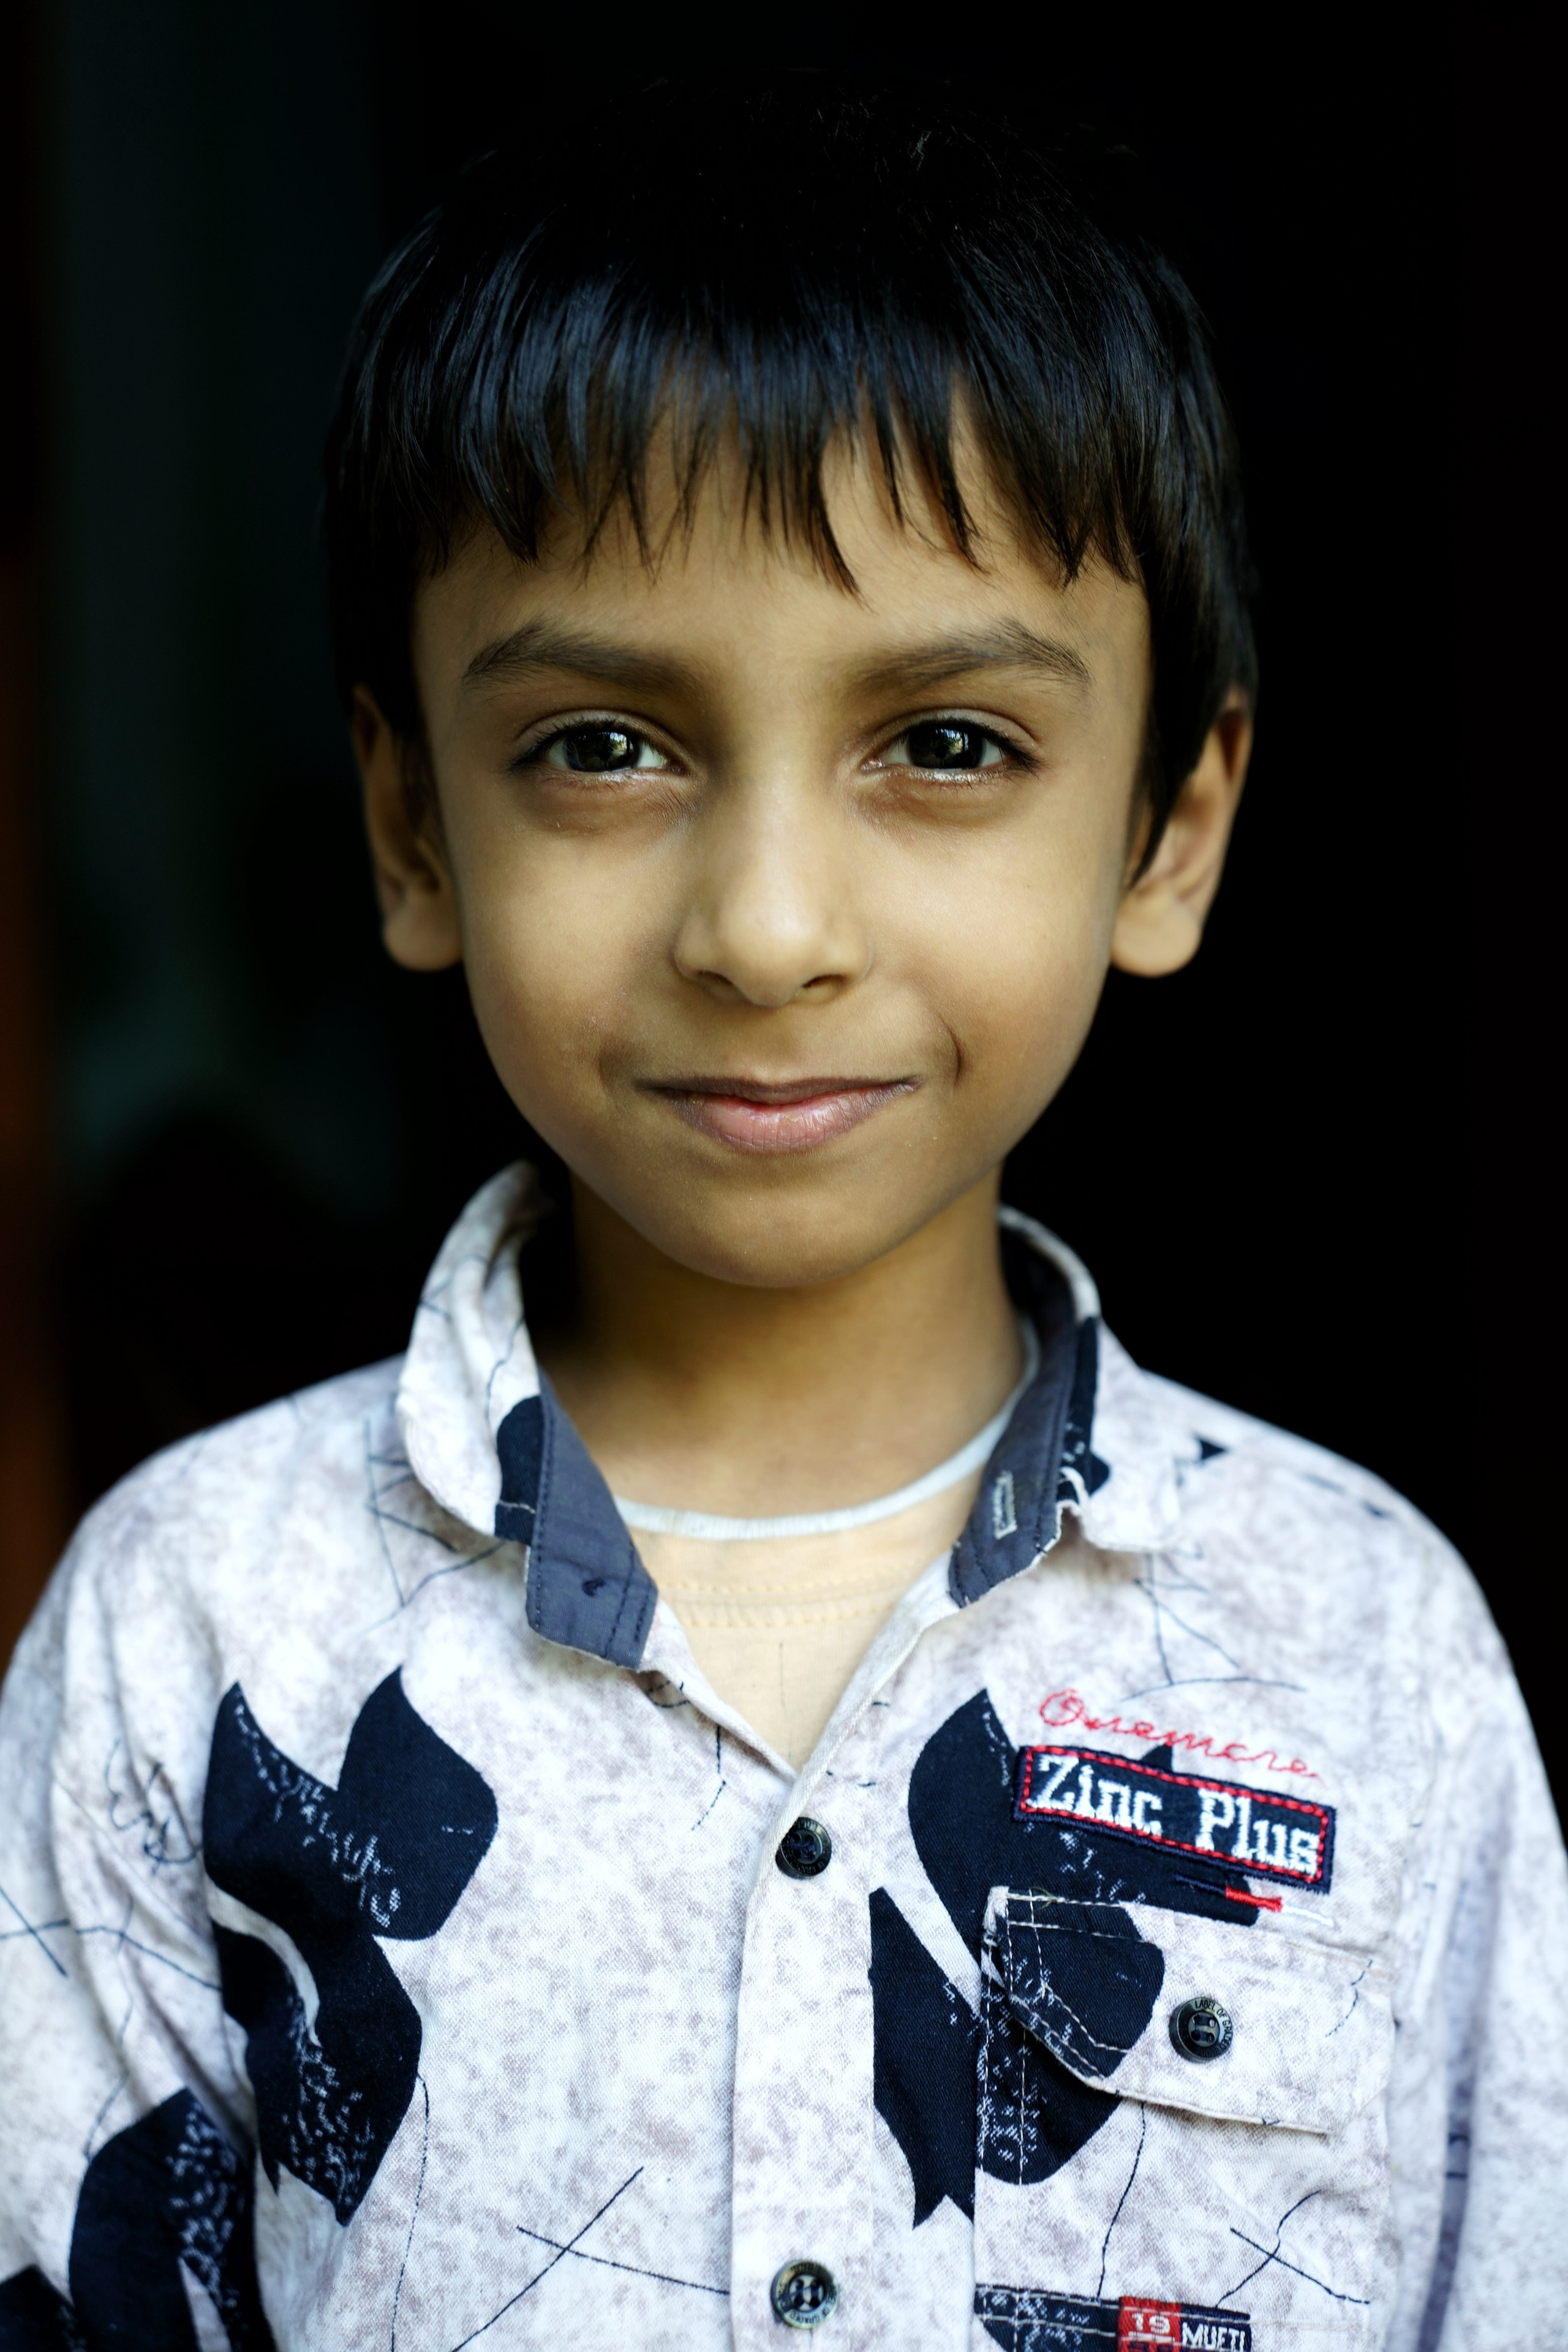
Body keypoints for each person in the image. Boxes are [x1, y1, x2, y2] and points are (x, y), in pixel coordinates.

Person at [1, 72, 1562, 2352]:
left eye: (945, 743)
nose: (764, 925)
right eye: (603, 747)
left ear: (1171, 830)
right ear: (413, 826)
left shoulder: (1368, 1653)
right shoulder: (190, 1635)